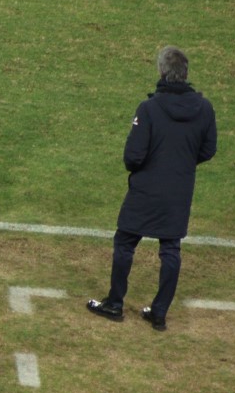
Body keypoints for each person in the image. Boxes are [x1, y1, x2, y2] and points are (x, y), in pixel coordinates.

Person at [87, 46, 217, 331]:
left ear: (161, 71)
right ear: (185, 74)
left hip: (146, 188)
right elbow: (208, 150)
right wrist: (182, 162)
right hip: (179, 190)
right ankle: (159, 312)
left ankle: (115, 303)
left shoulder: (149, 109)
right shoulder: (204, 108)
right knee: (170, 248)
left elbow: (133, 156)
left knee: (125, 241)